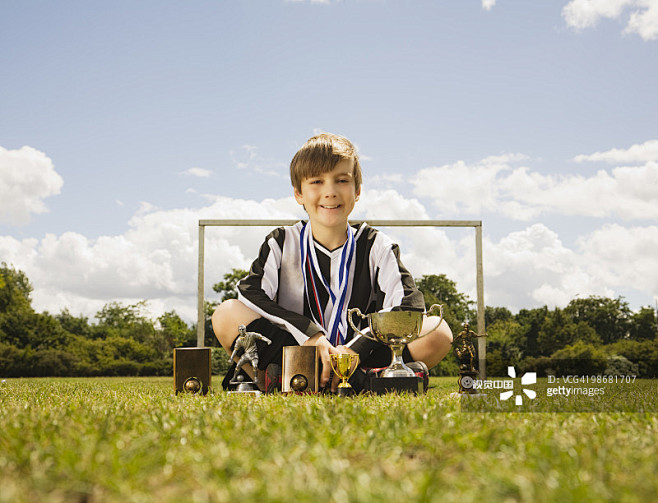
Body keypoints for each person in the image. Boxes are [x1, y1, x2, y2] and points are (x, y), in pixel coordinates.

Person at [212, 133, 453, 392]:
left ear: (357, 190)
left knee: (439, 333)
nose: (330, 192)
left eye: (341, 180)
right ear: (298, 193)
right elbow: (251, 295)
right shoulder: (282, 241)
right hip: (295, 351)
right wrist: (311, 336)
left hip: (363, 355)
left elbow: (409, 306)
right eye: (317, 181)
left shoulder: (376, 244)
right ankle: (345, 381)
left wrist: (355, 348)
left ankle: (345, 379)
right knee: (226, 314)